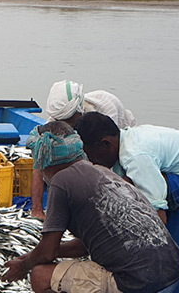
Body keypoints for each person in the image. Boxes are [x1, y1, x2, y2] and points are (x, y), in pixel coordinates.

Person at [1, 122, 179, 293]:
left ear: (45, 159)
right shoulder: (103, 172)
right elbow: (82, 246)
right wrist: (33, 255)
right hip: (173, 277)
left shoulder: (61, 182)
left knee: (40, 277)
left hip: (139, 290)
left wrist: (24, 265)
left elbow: (47, 253)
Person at [76, 111, 179, 222]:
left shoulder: (135, 156)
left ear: (106, 144)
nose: (94, 162)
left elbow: (159, 215)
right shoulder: (128, 138)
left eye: (93, 157)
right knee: (122, 186)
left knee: (132, 190)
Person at [30, 80, 136, 220]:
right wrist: (37, 210)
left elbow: (106, 157)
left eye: (70, 120)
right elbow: (40, 161)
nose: (66, 125)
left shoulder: (105, 109)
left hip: (119, 147)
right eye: (62, 121)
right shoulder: (55, 119)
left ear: (79, 109)